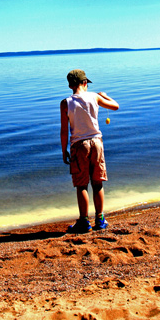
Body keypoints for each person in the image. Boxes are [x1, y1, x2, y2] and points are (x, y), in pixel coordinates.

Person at [60, 69, 119, 233]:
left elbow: (64, 130)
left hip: (79, 145)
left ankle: (84, 222)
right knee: (98, 182)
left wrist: (64, 148)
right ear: (84, 83)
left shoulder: (66, 103)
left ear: (71, 85)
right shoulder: (95, 97)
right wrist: (105, 95)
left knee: (81, 185)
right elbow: (115, 106)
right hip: (97, 143)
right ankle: (100, 219)